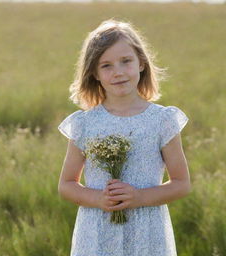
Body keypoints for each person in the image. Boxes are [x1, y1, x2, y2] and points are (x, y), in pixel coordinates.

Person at [57, 18, 191, 256]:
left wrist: (139, 197)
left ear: (141, 63)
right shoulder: (84, 123)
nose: (118, 72)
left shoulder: (162, 120)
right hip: (97, 233)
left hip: (147, 233)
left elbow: (181, 184)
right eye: (106, 65)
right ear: (94, 74)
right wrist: (98, 199)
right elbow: (66, 185)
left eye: (126, 61)